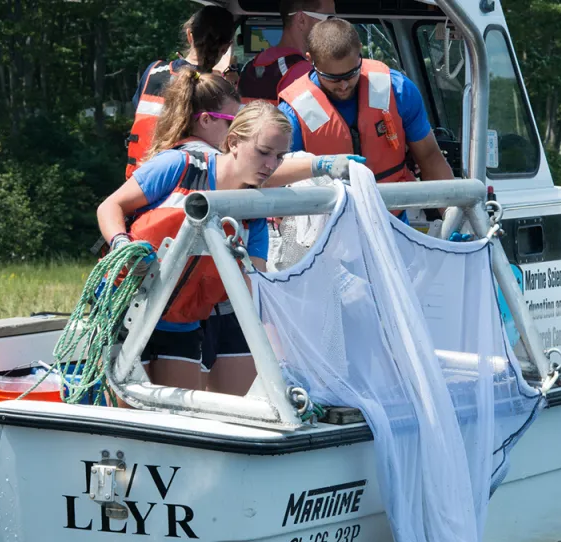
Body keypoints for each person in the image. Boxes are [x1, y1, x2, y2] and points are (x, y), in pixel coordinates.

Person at [98, 81, 363, 396]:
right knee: (128, 417)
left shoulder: (253, 217)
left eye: (279, 157)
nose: (270, 165)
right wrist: (121, 245)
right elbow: (110, 206)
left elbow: (254, 287)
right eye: (264, 153)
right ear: (234, 142)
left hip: (181, 321)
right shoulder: (179, 166)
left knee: (179, 421)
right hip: (125, 307)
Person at [274, 19, 455, 224]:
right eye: (332, 78)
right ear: (310, 60)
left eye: (351, 74)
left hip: (391, 220)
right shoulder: (294, 112)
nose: (343, 85)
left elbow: (430, 157)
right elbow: (276, 175)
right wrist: (318, 166)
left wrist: (452, 215)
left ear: (360, 51)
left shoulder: (398, 91)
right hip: (329, 232)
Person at [124, 5, 237, 179]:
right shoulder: (219, 90)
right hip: (182, 186)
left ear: (189, 35)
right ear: (226, 47)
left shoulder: (152, 72)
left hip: (138, 179)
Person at [237, 0, 336, 105]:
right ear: (301, 20)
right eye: (329, 19)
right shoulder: (304, 73)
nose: (335, 26)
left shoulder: (249, 67)